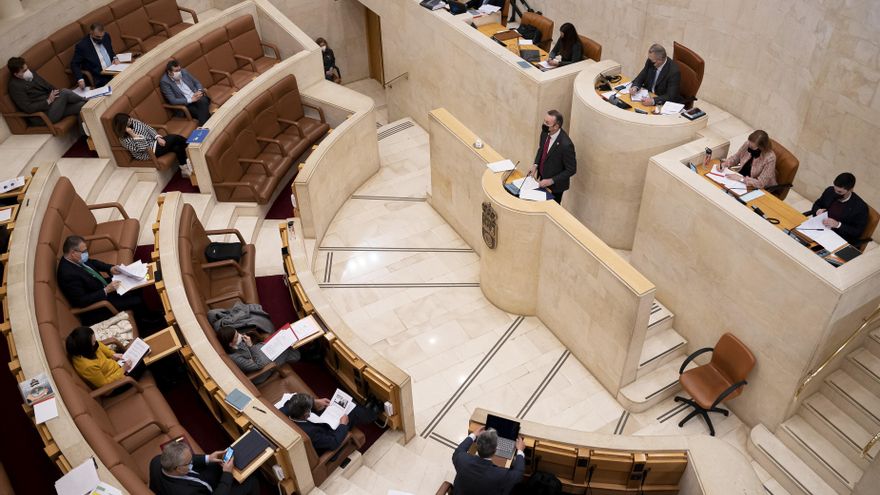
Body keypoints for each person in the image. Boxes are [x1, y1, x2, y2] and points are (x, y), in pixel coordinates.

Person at [57, 235, 162, 330]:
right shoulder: (67, 274)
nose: (86, 254)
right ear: (73, 253)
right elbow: (81, 301)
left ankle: (146, 315)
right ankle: (147, 324)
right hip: (99, 303)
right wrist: (106, 290)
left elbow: (92, 263)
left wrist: (109, 268)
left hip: (102, 285)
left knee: (136, 283)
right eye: (84, 252)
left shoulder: (76, 259)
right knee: (136, 300)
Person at [149, 440, 259, 495]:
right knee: (252, 482)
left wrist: (208, 458)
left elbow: (190, 459)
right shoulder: (185, 493)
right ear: (178, 468)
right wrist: (227, 473)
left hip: (200, 481)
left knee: (219, 461)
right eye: (189, 462)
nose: (192, 461)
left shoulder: (157, 461)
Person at [281, 393, 377, 454]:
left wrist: (314, 402)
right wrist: (343, 425)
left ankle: (366, 409)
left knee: (333, 405)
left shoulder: (286, 410)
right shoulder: (311, 433)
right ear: (306, 414)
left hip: (316, 422)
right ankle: (373, 413)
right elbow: (333, 443)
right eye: (309, 408)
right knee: (353, 412)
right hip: (328, 434)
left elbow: (290, 401)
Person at [6, 57, 85, 124]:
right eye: (23, 71)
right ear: (16, 74)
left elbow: (48, 86)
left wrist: (56, 94)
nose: (27, 72)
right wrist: (48, 101)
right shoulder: (15, 86)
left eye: (27, 69)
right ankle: (86, 99)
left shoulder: (32, 73)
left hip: (55, 106)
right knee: (64, 92)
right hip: (45, 116)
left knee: (82, 106)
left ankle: (85, 136)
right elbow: (28, 108)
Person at [451, 426, 525, 495]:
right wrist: (520, 451)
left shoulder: (461, 459)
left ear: (477, 445)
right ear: (495, 450)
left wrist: (473, 435)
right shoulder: (501, 475)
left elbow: (458, 451)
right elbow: (518, 474)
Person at [216, 326, 301, 384]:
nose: (240, 335)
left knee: (282, 343)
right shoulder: (235, 357)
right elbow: (258, 365)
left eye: (237, 332)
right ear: (230, 344)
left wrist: (252, 354)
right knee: (287, 351)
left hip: (258, 356)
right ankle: (304, 353)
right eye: (236, 336)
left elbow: (252, 358)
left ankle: (303, 351)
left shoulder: (236, 343)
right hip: (260, 372)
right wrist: (250, 346)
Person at [527, 110, 577, 204]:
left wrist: (551, 180)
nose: (544, 124)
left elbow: (572, 169)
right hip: (542, 179)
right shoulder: (545, 132)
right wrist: (535, 165)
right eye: (544, 121)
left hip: (555, 187)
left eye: (547, 123)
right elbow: (541, 149)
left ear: (556, 126)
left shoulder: (566, 145)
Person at [808, 172, 869, 246]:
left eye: (840, 192)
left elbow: (857, 232)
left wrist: (838, 225)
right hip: (818, 228)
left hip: (837, 238)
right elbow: (817, 204)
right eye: (835, 189)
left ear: (850, 190)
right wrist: (818, 210)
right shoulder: (830, 191)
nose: (835, 193)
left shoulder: (860, 207)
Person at [65, 326, 136, 389]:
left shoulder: (85, 347)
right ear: (87, 347)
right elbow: (104, 385)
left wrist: (112, 354)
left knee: (135, 349)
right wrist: (123, 369)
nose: (95, 342)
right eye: (93, 342)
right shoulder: (88, 367)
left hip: (116, 366)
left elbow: (99, 345)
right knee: (141, 363)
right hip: (115, 384)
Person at [112, 112, 188, 165]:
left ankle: (184, 168)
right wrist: (133, 135)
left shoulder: (133, 122)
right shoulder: (124, 140)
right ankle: (193, 147)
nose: (131, 121)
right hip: (148, 152)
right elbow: (142, 148)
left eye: (130, 119)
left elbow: (147, 127)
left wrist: (157, 137)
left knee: (177, 147)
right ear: (123, 126)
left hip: (154, 142)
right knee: (175, 138)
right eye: (128, 121)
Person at [160, 59, 211, 126]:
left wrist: (199, 91)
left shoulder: (184, 72)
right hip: (186, 105)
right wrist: (191, 100)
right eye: (176, 71)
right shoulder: (165, 82)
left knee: (202, 101)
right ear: (169, 72)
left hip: (198, 98)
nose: (179, 72)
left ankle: (203, 127)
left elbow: (197, 83)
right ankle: (207, 124)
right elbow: (173, 100)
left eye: (179, 70)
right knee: (203, 110)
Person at [71, 23, 119, 89]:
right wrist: (80, 79)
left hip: (114, 69)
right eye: (98, 37)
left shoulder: (106, 36)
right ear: (91, 33)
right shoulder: (82, 46)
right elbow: (74, 64)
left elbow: (110, 50)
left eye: (102, 36)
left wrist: (115, 58)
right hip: (100, 77)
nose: (101, 39)